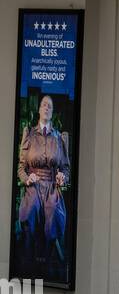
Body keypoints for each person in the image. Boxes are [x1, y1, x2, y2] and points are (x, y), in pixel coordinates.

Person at [16, 95, 70, 275]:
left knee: (54, 215)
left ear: (52, 112)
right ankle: (28, 261)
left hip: (52, 188)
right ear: (39, 109)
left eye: (50, 106)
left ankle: (47, 262)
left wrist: (62, 176)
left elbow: (65, 169)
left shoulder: (59, 138)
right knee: (30, 212)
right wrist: (26, 179)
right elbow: (21, 168)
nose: (46, 108)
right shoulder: (29, 134)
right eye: (44, 105)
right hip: (34, 186)